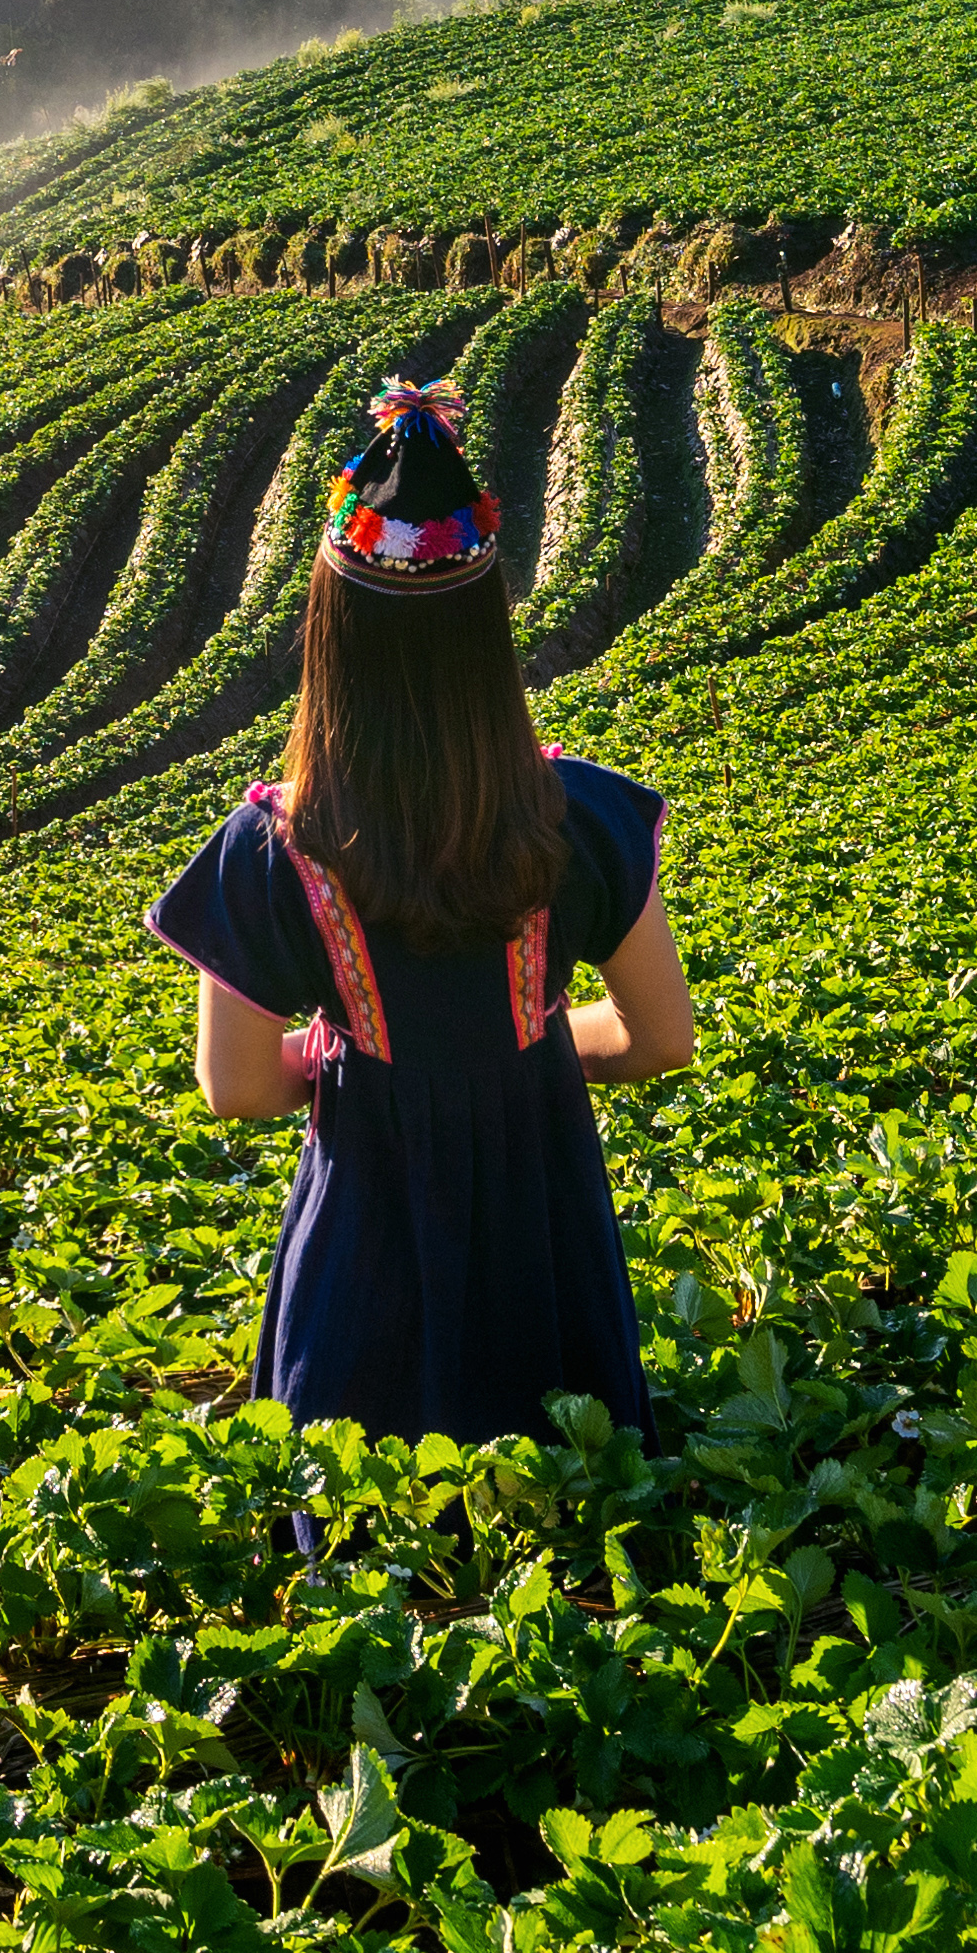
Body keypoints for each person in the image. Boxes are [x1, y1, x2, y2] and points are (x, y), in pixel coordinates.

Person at [149, 373, 697, 1449]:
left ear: (328, 636)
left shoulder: (274, 849)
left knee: (362, 1521)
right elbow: (659, 1036)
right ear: (490, 631)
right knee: (570, 1498)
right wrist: (530, 1045)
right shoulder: (577, 816)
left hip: (366, 1248)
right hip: (544, 1248)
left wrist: (338, 1052)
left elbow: (237, 1085)